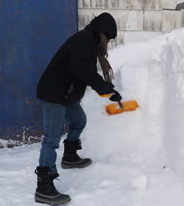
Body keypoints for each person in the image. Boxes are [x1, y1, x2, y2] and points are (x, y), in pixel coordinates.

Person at [34, 13, 122, 205]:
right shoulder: (84, 41)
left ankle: (70, 156)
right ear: (101, 33)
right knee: (51, 139)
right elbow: (85, 71)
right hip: (54, 95)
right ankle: (44, 187)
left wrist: (108, 91)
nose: (107, 42)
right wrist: (107, 90)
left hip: (65, 95)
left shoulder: (88, 42)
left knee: (79, 120)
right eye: (108, 37)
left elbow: (81, 72)